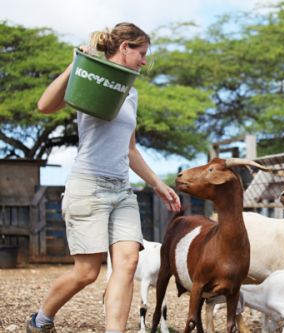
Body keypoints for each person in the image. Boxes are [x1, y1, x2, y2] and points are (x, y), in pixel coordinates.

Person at [27, 22, 181, 333]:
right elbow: (45, 106)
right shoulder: (90, 76)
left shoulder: (131, 93)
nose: (144, 61)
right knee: (86, 272)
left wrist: (158, 184)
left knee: (127, 263)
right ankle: (41, 319)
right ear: (125, 48)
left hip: (122, 191)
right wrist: (76, 64)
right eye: (141, 53)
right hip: (88, 186)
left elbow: (130, 149)